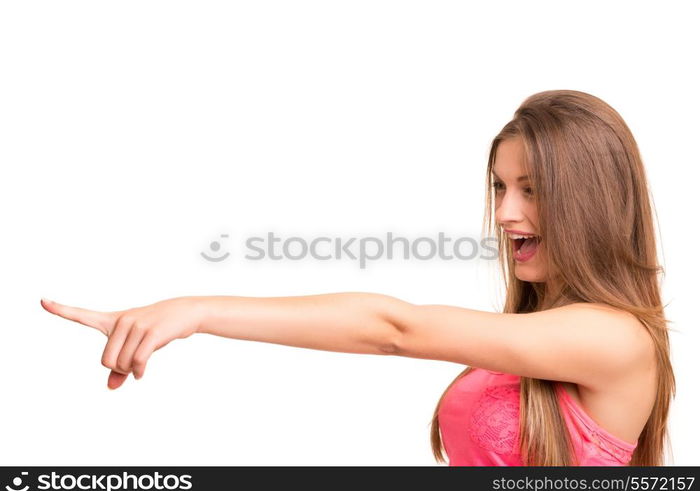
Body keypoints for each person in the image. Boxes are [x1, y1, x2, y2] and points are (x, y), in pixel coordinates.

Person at [40, 90, 674, 466]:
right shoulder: (530, 339)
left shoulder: (615, 339)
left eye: (530, 191)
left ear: (588, 201)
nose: (505, 213)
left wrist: (198, 311)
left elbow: (393, 327)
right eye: (501, 188)